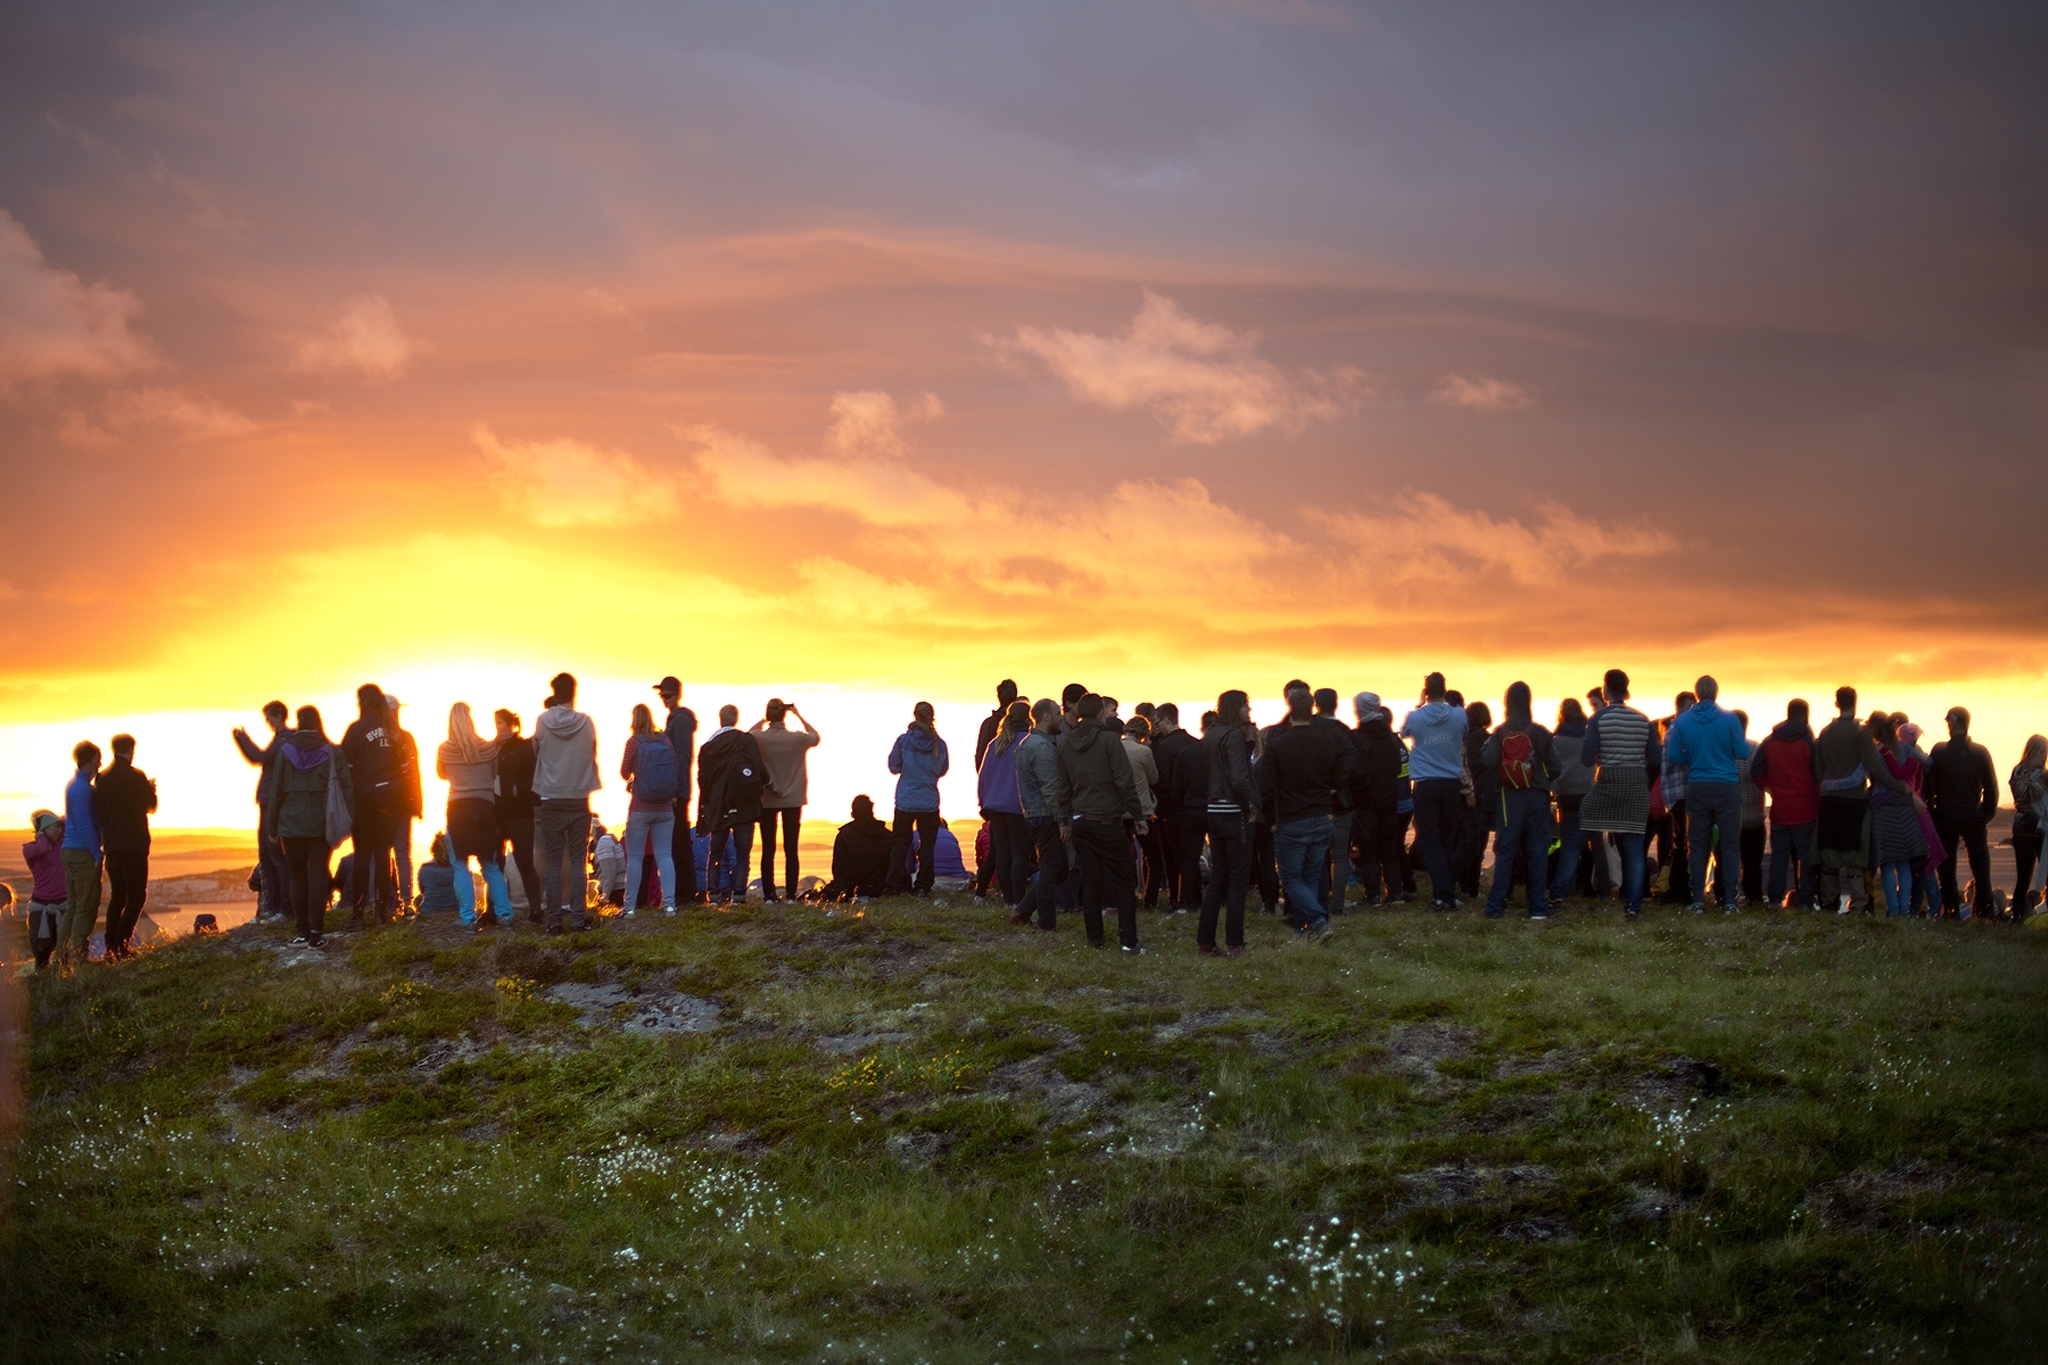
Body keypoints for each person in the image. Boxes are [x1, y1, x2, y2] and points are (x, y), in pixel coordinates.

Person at [1812, 687, 1917, 916]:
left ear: (1836, 703)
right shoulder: (1861, 734)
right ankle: (1858, 905)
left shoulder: (1824, 732)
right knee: (1855, 858)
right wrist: (1900, 786)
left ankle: (1829, 904)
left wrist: (1831, 784)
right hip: (1856, 802)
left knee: (1829, 854)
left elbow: (1818, 771)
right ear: (1855, 703)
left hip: (1829, 800)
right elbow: (1875, 768)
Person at [1261, 685, 1353, 941]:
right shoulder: (1328, 741)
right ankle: (1306, 928)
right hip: (1323, 814)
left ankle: (1316, 920)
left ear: (1290, 709)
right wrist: (1331, 788)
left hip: (1292, 817)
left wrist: (1270, 817)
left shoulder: (1278, 744)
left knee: (1291, 878)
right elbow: (1341, 770)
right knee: (1311, 875)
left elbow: (1266, 786)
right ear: (1312, 708)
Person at [1054, 693, 1144, 951]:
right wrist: (1138, 816)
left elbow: (1063, 788)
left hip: (1080, 820)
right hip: (1107, 820)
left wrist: (1064, 820)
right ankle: (1129, 942)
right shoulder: (1108, 741)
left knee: (1091, 881)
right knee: (1124, 882)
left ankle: (1095, 939)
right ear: (1102, 713)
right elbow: (1124, 781)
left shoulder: (1067, 744)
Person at [263, 705, 353, 948]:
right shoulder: (333, 751)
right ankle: (316, 933)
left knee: (296, 877)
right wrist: (349, 820)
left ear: (299, 723)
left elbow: (276, 791)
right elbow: (346, 787)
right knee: (318, 875)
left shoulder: (284, 752)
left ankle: (301, 932)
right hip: (321, 823)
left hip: (290, 824)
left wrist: (272, 826)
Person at [1660, 676, 1751, 914]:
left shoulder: (1683, 721)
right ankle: (1730, 900)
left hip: (1697, 785)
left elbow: (1675, 756)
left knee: (1697, 845)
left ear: (1697, 693)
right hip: (1726, 786)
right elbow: (1742, 751)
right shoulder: (1730, 719)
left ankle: (1697, 899)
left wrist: (1695, 756)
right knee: (1730, 846)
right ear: (1716, 692)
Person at [1578, 669, 1661, 920]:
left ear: (1605, 690)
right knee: (1636, 850)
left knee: (1584, 839)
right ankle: (1633, 905)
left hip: (1609, 785)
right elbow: (1655, 759)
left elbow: (1585, 759)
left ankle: (1560, 893)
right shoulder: (1643, 719)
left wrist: (1605, 754)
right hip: (1636, 787)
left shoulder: (1598, 718)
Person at [1479, 682, 1558, 920]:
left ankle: (1496, 906)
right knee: (1537, 850)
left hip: (1509, 798)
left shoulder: (1501, 732)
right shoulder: (1542, 732)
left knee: (1506, 851)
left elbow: (1490, 761)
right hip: (1537, 798)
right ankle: (1538, 907)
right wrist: (1541, 780)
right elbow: (1557, 767)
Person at [532, 673, 600, 933]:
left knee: (552, 860)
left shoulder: (541, 722)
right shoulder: (586, 723)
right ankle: (579, 920)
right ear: (574, 693)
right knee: (577, 861)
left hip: (550, 797)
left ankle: (554, 922)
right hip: (579, 797)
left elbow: (537, 751)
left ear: (554, 692)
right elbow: (592, 752)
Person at [437, 702, 513, 929]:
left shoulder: (444, 750)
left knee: (460, 865)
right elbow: (492, 774)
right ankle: (506, 915)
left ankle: (468, 918)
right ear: (471, 719)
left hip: (458, 809)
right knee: (489, 864)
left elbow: (441, 774)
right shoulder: (489, 748)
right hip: (485, 809)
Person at [1400, 673, 1468, 910]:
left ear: (1426, 691)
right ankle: (1446, 893)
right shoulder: (1459, 715)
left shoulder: (1416, 716)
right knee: (1448, 840)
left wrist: (1420, 704)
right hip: (1451, 783)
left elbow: (1404, 732)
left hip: (1426, 783)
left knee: (1430, 841)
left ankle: (1443, 896)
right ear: (1445, 689)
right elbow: (1464, 730)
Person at [1200, 690, 1259, 955]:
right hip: (1234, 811)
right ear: (1237, 709)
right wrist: (1255, 803)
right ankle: (1235, 941)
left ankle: (1206, 940)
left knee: (1219, 876)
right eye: (1246, 706)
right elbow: (1238, 778)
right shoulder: (1232, 736)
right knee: (1237, 879)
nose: (1249, 711)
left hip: (1213, 809)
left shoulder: (1211, 734)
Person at [339, 685, 404, 926]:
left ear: (361, 702)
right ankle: (381, 913)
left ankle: (357, 913)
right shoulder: (394, 730)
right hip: (391, 798)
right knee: (383, 855)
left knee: (363, 857)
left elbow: (347, 768)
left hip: (364, 798)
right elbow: (404, 766)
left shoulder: (356, 730)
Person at [1927, 705, 2000, 920]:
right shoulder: (1980, 752)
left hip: (1946, 815)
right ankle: (1984, 909)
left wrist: (1933, 814)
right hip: (1973, 815)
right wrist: (1984, 815)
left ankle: (1950, 909)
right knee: (1980, 865)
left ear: (1951, 723)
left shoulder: (1939, 751)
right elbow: (1991, 789)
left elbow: (1929, 789)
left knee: (1947, 866)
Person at [697, 704, 769, 905]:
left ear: (720, 720)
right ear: (736, 719)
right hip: (744, 803)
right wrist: (768, 783)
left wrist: (705, 806)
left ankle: (713, 896)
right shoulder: (745, 740)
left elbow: (702, 780)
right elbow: (758, 766)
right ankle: (739, 896)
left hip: (718, 806)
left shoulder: (707, 748)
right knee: (742, 853)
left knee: (716, 854)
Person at [93, 734, 158, 958]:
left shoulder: (102, 778)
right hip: (134, 845)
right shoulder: (136, 776)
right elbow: (151, 806)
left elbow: (100, 810)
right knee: (137, 896)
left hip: (112, 845)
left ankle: (111, 945)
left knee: (117, 896)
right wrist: (151, 789)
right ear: (131, 749)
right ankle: (121, 944)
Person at [1752, 700, 1820, 908]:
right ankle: (1807, 900)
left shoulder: (1770, 741)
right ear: (1804, 715)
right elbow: (1817, 776)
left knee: (1779, 858)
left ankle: (1774, 899)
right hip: (1806, 809)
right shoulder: (1808, 742)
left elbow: (1756, 771)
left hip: (1780, 808)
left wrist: (1769, 788)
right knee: (1806, 859)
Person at [752, 699, 821, 902]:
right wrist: (797, 715)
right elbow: (816, 737)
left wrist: (764, 719)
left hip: (768, 798)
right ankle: (791, 895)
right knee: (791, 849)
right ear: (784, 715)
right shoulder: (797, 739)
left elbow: (746, 735)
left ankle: (769, 896)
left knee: (768, 850)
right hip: (793, 798)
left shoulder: (760, 738)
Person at [616, 703, 681, 916]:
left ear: (634, 720)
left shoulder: (634, 742)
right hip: (664, 808)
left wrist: (635, 777)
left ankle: (630, 908)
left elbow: (624, 772)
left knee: (634, 858)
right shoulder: (665, 740)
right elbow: (675, 770)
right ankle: (670, 905)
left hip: (640, 808)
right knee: (664, 855)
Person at [233, 701, 293, 922]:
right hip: (270, 801)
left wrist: (242, 738)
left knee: (275, 856)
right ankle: (274, 906)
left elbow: (259, 758)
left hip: (272, 802)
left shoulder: (284, 739)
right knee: (267, 856)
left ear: (278, 716)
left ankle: (282, 907)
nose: (267, 723)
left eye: (268, 718)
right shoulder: (283, 740)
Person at [1014, 698, 1067, 929]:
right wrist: (1062, 819)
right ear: (1046, 716)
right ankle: (1045, 922)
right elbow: (1050, 787)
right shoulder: (1043, 747)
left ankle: (1024, 909)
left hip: (1031, 814)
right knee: (1051, 869)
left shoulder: (1024, 744)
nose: (1061, 717)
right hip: (1046, 815)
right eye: (1057, 713)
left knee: (1058, 869)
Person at [886, 702, 950, 896]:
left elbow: (894, 766)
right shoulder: (939, 744)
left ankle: (893, 886)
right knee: (927, 845)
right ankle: (923, 886)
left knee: (899, 845)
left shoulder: (903, 741)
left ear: (915, 716)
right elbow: (943, 770)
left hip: (906, 800)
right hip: (929, 801)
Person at [1868, 713, 1928, 916]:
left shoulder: (1875, 751)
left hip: (1882, 805)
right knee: (1904, 860)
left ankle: (1892, 909)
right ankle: (1904, 909)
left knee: (1886, 862)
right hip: (1904, 805)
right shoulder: (1904, 747)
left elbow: (1870, 775)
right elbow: (1927, 761)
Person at [977, 700, 1033, 912]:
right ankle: (1019, 898)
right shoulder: (1029, 742)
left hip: (995, 805)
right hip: (1019, 805)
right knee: (1020, 853)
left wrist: (983, 803)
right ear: (1029, 718)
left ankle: (1008, 897)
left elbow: (984, 776)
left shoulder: (996, 744)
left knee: (1002, 853)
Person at [1348, 693, 1403, 905]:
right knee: (1390, 845)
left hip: (1365, 801)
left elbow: (1356, 771)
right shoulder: (1391, 738)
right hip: (1390, 798)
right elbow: (1398, 766)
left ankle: (1372, 894)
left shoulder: (1357, 738)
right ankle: (1395, 892)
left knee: (1368, 847)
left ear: (1358, 710)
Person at [1150, 703, 1203, 913]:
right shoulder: (1196, 744)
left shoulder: (1164, 748)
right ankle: (1195, 898)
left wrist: (1160, 811)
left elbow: (1164, 783)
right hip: (1195, 806)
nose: (1155, 727)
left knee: (1173, 858)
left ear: (1166, 720)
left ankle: (1178, 898)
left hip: (1173, 810)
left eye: (1157, 722)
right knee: (1192, 856)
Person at [1547, 698, 1600, 904]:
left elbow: (1552, 765)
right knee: (1594, 844)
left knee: (1567, 844)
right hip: (1588, 791)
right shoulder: (1588, 735)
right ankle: (1598, 888)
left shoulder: (1556, 738)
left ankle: (1566, 889)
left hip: (1565, 794)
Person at [492, 710, 543, 922]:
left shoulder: (524, 748)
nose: (497, 727)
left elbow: (534, 779)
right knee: (495, 864)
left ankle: (535, 909)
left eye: (500, 723)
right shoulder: (491, 748)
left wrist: (514, 790)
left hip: (520, 813)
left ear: (511, 723)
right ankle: (491, 910)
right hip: (496, 814)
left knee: (524, 862)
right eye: (495, 723)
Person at [654, 677, 701, 904]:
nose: (664, 699)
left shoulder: (679, 720)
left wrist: (676, 790)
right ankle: (684, 892)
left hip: (677, 792)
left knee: (679, 841)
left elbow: (682, 757)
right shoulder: (676, 719)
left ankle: (686, 893)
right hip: (678, 790)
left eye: (668, 695)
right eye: (662, 695)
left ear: (677, 695)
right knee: (677, 840)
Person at [58, 740, 103, 965]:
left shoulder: (74, 784)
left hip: (70, 851)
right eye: (98, 759)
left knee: (74, 907)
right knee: (85, 907)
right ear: (91, 760)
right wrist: (96, 853)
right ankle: (78, 959)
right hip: (82, 852)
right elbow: (84, 824)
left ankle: (62, 958)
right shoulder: (83, 789)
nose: (100, 763)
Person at [383, 695, 423, 912]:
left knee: (381, 854)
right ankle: (406, 902)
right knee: (402, 853)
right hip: (403, 803)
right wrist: (418, 803)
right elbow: (414, 773)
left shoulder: (376, 738)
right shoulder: (406, 738)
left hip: (381, 805)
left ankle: (384, 901)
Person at [1121, 714, 1163, 914]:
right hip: (1143, 810)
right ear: (1143, 734)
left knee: (1124, 856)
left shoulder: (1114, 748)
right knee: (1153, 858)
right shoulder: (1143, 751)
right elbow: (1154, 778)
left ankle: (1126, 896)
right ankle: (1150, 899)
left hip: (1120, 811)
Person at [821, 795, 895, 900]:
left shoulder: (844, 836)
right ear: (871, 810)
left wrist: (841, 893)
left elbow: (840, 869)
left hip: (853, 889)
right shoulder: (888, 836)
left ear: (853, 813)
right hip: (880, 889)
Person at [1454, 698, 1492, 899]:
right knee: (1478, 845)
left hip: (1462, 793)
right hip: (1481, 796)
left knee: (1464, 842)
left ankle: (1461, 882)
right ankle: (1472, 888)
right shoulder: (1486, 738)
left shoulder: (1462, 736)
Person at [2009, 736, 2048, 917]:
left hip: (2042, 827)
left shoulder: (2042, 773)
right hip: (2025, 826)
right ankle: (2017, 916)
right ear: (2031, 751)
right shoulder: (2020, 771)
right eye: (2041, 752)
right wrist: (2043, 780)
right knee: (2024, 876)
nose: (2044, 756)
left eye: (2046, 752)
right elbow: (2027, 795)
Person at [23, 811, 68, 970]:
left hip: (62, 903)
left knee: (64, 948)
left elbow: (67, 820)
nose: (59, 830)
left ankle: (62, 980)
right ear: (44, 828)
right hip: (39, 906)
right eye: (55, 827)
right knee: (41, 950)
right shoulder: (29, 848)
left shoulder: (59, 844)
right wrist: (41, 834)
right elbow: (41, 849)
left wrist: (57, 822)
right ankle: (42, 979)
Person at [1733, 711, 1766, 907]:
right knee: (1753, 863)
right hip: (1755, 816)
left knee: (1727, 860)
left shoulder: (1724, 750)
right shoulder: (1755, 749)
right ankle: (1754, 897)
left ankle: (1726, 895)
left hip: (1730, 816)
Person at [974, 680, 1020, 772]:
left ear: (999, 697)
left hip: (993, 778)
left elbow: (980, 756)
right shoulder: (1024, 723)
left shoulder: (988, 724)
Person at [416, 834, 462, 914]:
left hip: (429, 910)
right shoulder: (460, 869)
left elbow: (422, 890)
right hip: (457, 908)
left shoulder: (425, 868)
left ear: (433, 849)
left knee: (418, 899)